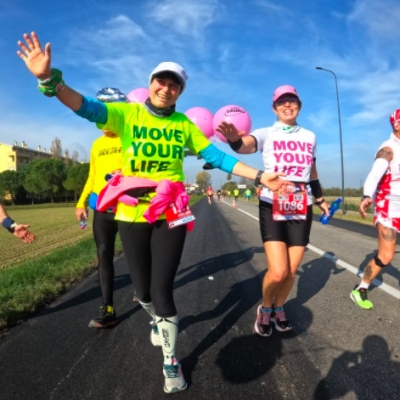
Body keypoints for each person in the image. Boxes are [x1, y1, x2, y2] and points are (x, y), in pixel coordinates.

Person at [17, 31, 292, 393]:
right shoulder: (126, 115)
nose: (167, 87)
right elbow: (84, 106)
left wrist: (259, 175)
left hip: (171, 214)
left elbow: (219, 157)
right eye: (161, 80)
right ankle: (154, 316)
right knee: (143, 292)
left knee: (162, 291)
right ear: (150, 84)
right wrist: (47, 79)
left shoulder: (183, 126)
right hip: (131, 216)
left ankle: (170, 360)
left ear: (180, 91)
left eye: (174, 84)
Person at [216, 84, 329, 337]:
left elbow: (312, 172)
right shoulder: (266, 133)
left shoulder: (310, 136)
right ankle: (265, 308)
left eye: (292, 101)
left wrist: (319, 198)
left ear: (299, 105)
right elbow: (245, 146)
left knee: (290, 271)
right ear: (274, 108)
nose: (287, 105)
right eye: (282, 102)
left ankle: (280, 307)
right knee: (277, 271)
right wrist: (234, 139)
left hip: (302, 204)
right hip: (273, 201)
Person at [75, 88, 127, 328]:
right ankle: (108, 309)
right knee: (103, 253)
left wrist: (125, 174)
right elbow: (92, 176)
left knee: (139, 254)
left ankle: (147, 294)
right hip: (103, 209)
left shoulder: (131, 138)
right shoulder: (97, 145)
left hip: (130, 208)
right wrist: (81, 202)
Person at [351, 109, 400, 310]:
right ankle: (360, 289)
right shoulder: (388, 148)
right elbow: (373, 175)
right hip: (388, 207)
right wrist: (366, 196)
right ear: (397, 125)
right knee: (386, 255)